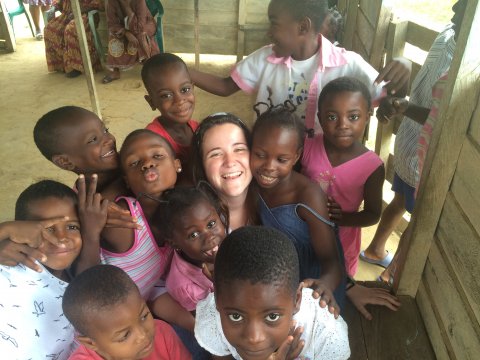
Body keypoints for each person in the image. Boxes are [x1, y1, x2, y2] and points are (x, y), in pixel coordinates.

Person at [189, 0, 410, 134]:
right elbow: (226, 86)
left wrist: (404, 67)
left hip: (319, 166)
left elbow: (390, 98)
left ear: (303, 26)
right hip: (271, 158)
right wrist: (183, 70)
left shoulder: (348, 64)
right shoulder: (265, 58)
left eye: (273, 23)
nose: (268, 32)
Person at [360, 0, 467, 272]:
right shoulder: (455, 42)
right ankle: (393, 274)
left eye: (464, 5)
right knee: (418, 219)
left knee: (399, 201)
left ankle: (375, 249)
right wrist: (405, 105)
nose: (455, 7)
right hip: (421, 150)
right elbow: (440, 115)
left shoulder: (455, 41)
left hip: (411, 142)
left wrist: (405, 107)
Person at [195, 226, 350, 360]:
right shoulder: (213, 322)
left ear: (297, 300)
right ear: (217, 301)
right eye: (236, 316)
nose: (254, 338)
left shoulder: (326, 337)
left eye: (272, 316)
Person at [250, 100, 344, 312]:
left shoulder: (307, 196)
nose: (268, 166)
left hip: (316, 286)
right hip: (278, 280)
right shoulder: (251, 184)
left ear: (296, 156)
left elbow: (332, 262)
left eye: (281, 159)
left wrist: (325, 285)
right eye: (260, 155)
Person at [0, 179, 105, 359]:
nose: (62, 238)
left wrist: (92, 232)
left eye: (72, 227)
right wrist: (4, 230)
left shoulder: (83, 272)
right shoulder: (10, 266)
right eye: (47, 229)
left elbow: (89, 281)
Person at [301, 77, 384, 277]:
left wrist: (341, 218)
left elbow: (373, 214)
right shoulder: (306, 146)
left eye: (353, 117)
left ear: (367, 116)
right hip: (302, 236)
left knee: (336, 294)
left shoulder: (372, 166)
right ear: (320, 118)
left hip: (342, 246)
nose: (342, 125)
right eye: (332, 117)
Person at [62, 264, 191, 359]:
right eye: (124, 335)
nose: (142, 336)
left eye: (144, 316)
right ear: (91, 343)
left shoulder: (162, 332)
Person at [155, 185, 228, 312]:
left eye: (211, 224)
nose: (209, 237)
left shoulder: (231, 241)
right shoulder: (185, 287)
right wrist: (222, 284)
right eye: (193, 234)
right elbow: (211, 321)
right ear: (174, 244)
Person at [191, 112, 257, 230]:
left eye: (239, 149)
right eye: (215, 154)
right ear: (201, 165)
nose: (230, 162)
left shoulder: (274, 205)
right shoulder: (194, 221)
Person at [142, 53, 198, 184]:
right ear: (151, 102)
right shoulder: (151, 140)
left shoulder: (198, 128)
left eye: (185, 90)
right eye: (166, 95)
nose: (179, 101)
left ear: (193, 88)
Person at [102, 0, 160, 84]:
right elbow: (112, 24)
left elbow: (141, 26)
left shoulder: (139, 1)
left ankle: (148, 65)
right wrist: (126, 33)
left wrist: (127, 7)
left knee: (140, 36)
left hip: (145, 25)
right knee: (114, 37)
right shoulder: (112, 2)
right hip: (125, 29)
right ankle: (115, 71)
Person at [44, 0, 103, 78]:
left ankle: (76, 67)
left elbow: (98, 5)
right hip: (67, 15)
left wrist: (77, 12)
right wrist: (54, 8)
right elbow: (61, 2)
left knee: (70, 29)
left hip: (85, 15)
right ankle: (62, 65)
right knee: (49, 29)